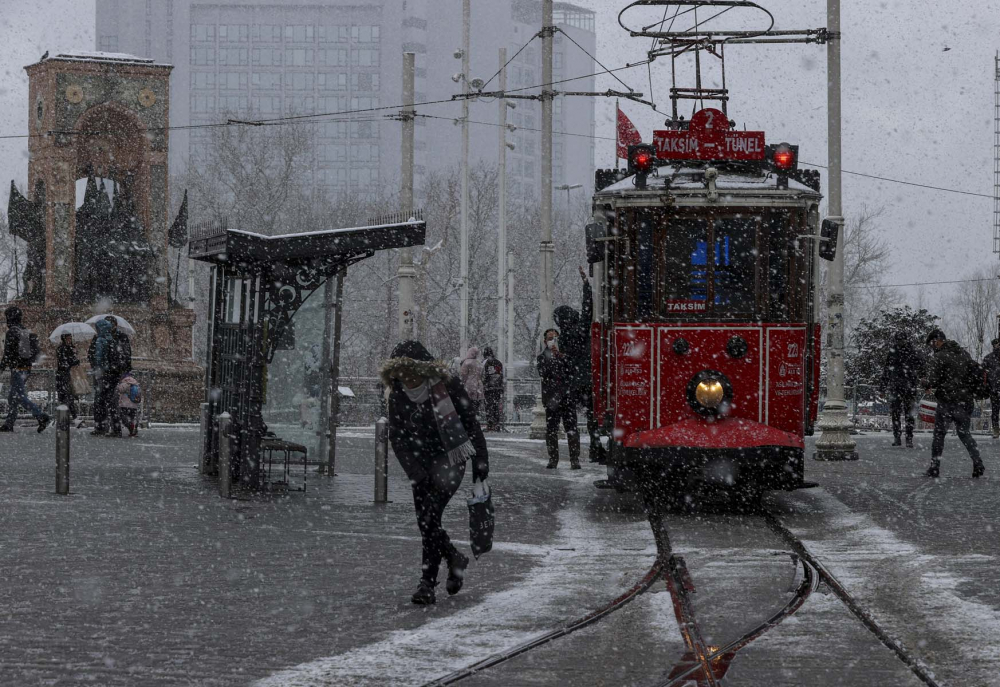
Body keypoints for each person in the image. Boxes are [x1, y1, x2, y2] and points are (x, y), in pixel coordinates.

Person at [380, 340, 489, 605]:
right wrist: (415, 472)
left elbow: (470, 423)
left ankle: (427, 583)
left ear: (423, 369)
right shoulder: (397, 392)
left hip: (451, 456)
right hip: (420, 461)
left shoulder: (447, 385)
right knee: (426, 521)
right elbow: (398, 437)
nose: (405, 376)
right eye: (400, 372)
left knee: (430, 517)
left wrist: (481, 463)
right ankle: (453, 557)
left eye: (409, 370)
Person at [552, 266, 605, 463]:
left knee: (570, 419)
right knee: (592, 417)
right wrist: (586, 287)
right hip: (587, 380)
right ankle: (595, 447)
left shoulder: (563, 337)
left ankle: (574, 455)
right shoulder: (581, 331)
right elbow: (587, 309)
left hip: (571, 382)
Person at [923, 329, 985, 479]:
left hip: (947, 401)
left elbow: (932, 380)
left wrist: (924, 381)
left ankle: (934, 467)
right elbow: (973, 374)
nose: (932, 347)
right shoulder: (964, 354)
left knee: (939, 434)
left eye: (932, 343)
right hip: (965, 401)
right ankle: (978, 463)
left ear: (937, 341)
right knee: (964, 434)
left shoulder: (939, 357)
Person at [0, 306, 50, 433]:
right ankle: (9, 423)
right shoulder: (25, 331)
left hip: (17, 369)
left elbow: (7, 354)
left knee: (20, 397)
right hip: (26, 369)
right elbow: (34, 353)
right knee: (13, 397)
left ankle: (41, 416)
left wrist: (1, 368)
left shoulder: (12, 332)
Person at [537, 328, 580, 470]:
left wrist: (560, 356)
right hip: (552, 399)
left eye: (555, 338)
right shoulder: (542, 357)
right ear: (545, 341)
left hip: (567, 396)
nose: (552, 341)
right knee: (551, 430)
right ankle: (553, 459)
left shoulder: (566, 355)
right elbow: (543, 373)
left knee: (571, 428)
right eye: (550, 338)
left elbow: (572, 370)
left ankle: (574, 459)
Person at [881, 330, 922, 448]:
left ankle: (902, 437)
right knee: (903, 414)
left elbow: (887, 370)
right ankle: (904, 438)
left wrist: (883, 388)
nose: (900, 343)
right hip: (905, 386)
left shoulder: (898, 352)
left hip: (901, 387)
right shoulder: (910, 351)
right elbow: (887, 370)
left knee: (900, 413)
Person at [55, 332, 81, 421]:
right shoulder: (62, 349)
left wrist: (74, 354)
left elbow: (74, 361)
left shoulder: (70, 348)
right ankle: (71, 417)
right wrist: (74, 358)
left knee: (68, 397)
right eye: (68, 338)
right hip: (63, 376)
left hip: (68, 376)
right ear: (64, 339)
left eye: (70, 338)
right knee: (66, 397)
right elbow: (65, 362)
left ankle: (70, 417)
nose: (69, 340)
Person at [482, 346, 505, 432]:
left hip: (488, 388)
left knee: (488, 406)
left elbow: (483, 375)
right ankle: (497, 424)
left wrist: (484, 384)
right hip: (498, 388)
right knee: (496, 406)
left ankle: (490, 424)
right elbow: (502, 375)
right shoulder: (498, 362)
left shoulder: (485, 363)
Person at [982, 337, 1000, 439]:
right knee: (995, 410)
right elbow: (982, 373)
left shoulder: (988, 358)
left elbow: (982, 372)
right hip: (994, 388)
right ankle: (996, 429)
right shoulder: (989, 358)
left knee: (995, 410)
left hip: (994, 388)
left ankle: (996, 430)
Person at [459, 346, 484, 416]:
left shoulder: (466, 362)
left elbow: (463, 375)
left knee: (468, 405)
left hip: (469, 385)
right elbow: (481, 375)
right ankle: (475, 417)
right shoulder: (479, 363)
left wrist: (461, 384)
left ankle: (469, 418)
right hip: (478, 386)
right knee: (476, 405)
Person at [116, 370, 142, 437]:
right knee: (132, 417)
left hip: (125, 404)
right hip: (134, 405)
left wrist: (118, 385)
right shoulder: (136, 383)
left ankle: (129, 426)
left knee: (123, 417)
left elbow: (120, 389)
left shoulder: (125, 382)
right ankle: (133, 429)